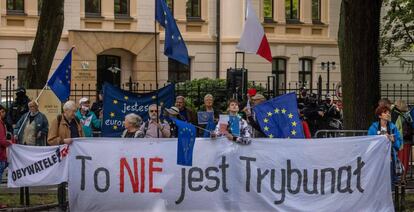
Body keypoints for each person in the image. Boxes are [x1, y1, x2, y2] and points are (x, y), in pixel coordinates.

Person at [48, 100, 84, 211]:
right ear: (65, 110)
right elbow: (50, 140)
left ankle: (75, 203)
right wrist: (63, 140)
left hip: (75, 156)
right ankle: (62, 205)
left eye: (75, 111)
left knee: (76, 180)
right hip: (62, 156)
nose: (74, 113)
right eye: (73, 111)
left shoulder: (77, 121)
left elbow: (82, 136)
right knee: (62, 182)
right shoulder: (57, 121)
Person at [368, 105, 402, 186]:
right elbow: (369, 143)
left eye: (389, 113)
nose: (388, 114)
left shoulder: (393, 127)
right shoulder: (373, 128)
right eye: (385, 113)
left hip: (390, 159)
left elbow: (399, 144)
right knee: (377, 182)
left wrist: (393, 140)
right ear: (379, 115)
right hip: (377, 159)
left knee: (389, 182)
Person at [391, 99, 412, 179]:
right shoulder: (401, 115)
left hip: (397, 141)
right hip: (403, 141)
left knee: (398, 160)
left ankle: (399, 179)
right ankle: (402, 179)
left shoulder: (393, 113)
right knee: (403, 160)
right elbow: (401, 129)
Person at [0, 105, 12, 209]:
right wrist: (10, 143)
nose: (4, 113)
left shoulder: (2, 124)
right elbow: (1, 141)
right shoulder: (0, 124)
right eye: (3, 111)